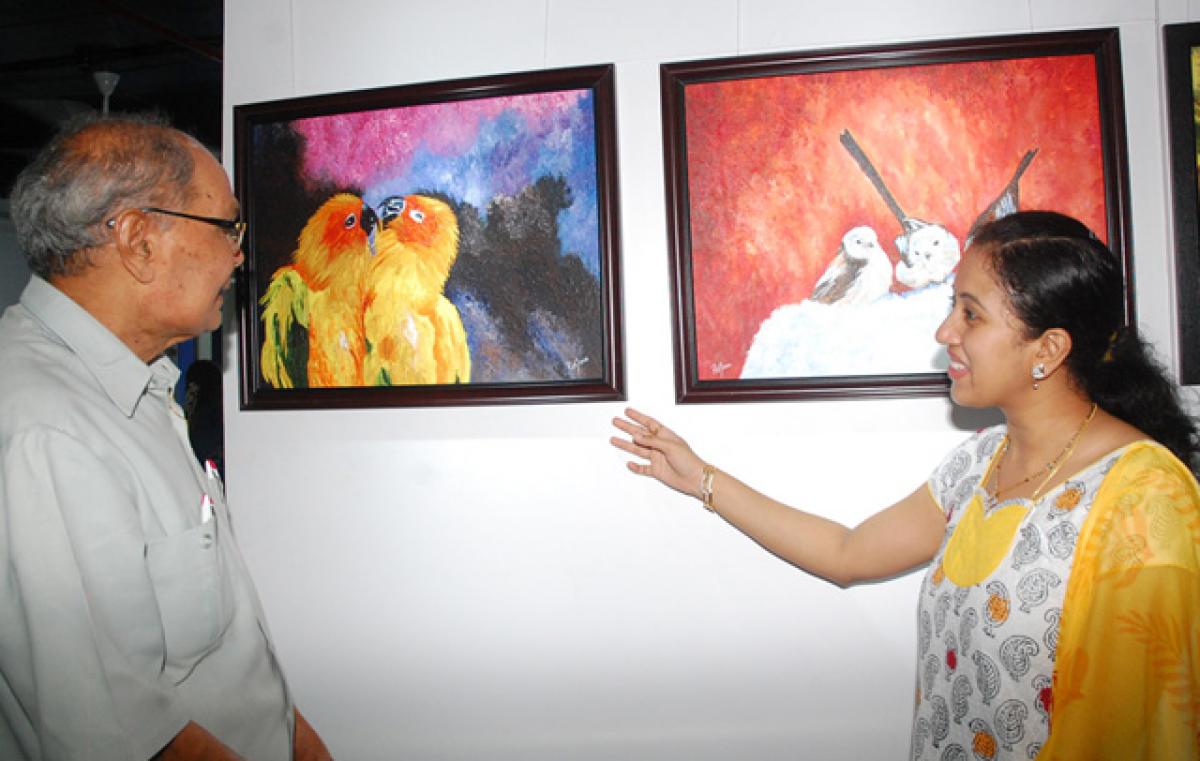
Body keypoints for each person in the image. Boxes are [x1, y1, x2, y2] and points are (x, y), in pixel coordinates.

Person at [612, 211, 1200, 760]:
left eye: (971, 314)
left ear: (1048, 348)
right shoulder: (976, 465)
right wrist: (702, 479)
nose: (945, 331)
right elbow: (848, 552)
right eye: (952, 307)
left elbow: (1145, 726)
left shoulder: (1143, 498)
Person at [0, 113, 331, 760]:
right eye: (227, 227)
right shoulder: (47, 429)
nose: (241, 254)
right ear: (137, 240)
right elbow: (123, 737)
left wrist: (297, 738)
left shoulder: (133, 388)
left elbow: (222, 655)